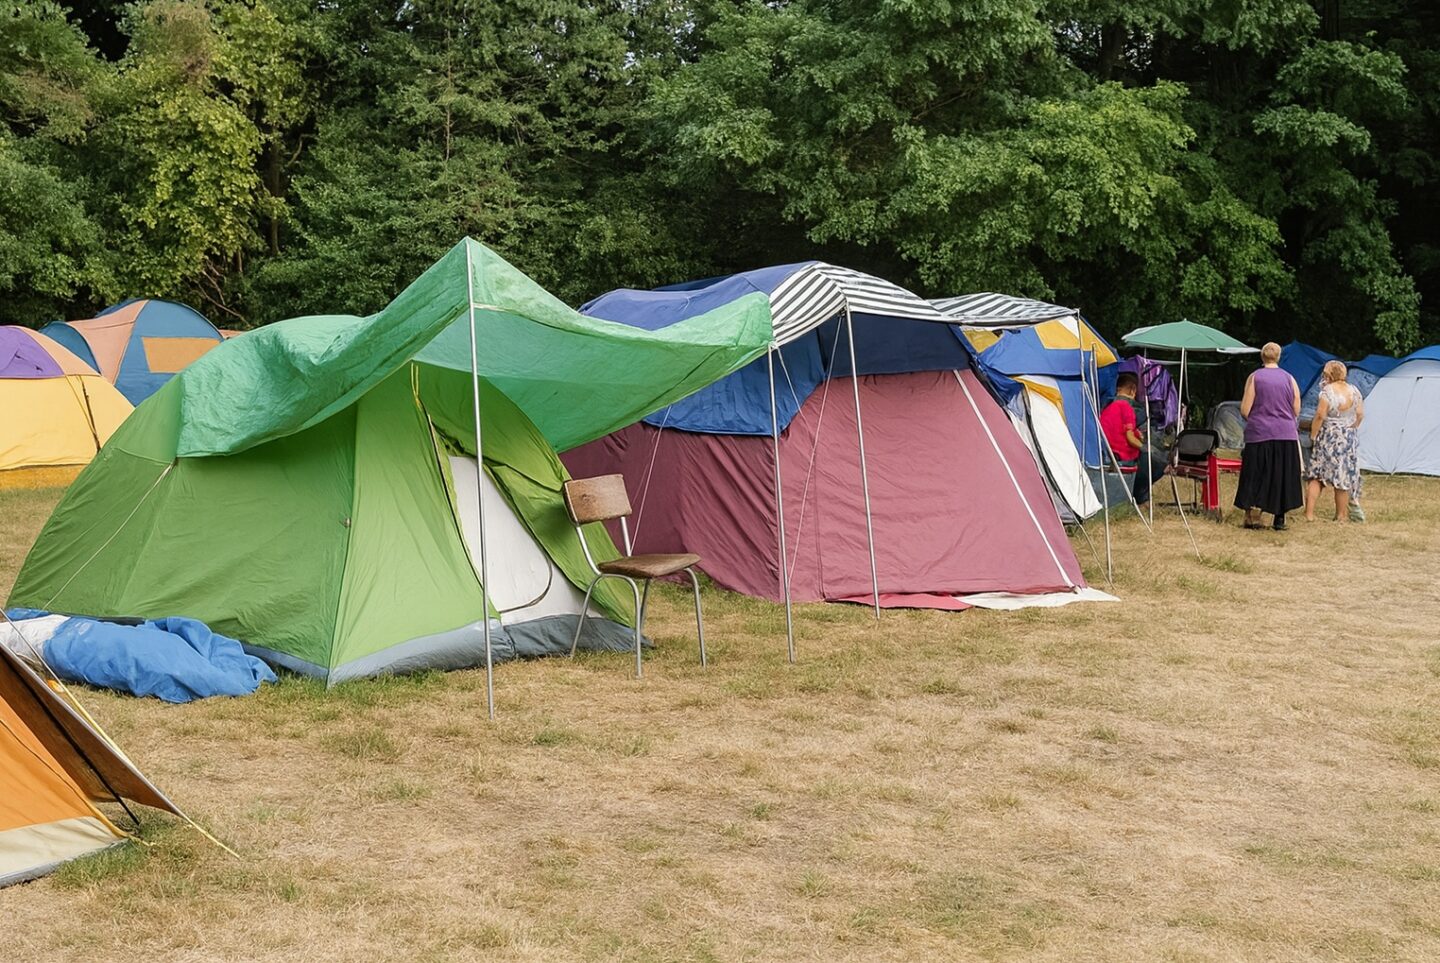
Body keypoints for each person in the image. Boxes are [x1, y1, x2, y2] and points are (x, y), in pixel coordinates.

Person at [1235, 342, 1303, 530]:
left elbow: (1245, 409)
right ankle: (1279, 518)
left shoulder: (1255, 377)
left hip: (1260, 433)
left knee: (1255, 473)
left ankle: (1252, 514)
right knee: (1282, 475)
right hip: (1286, 433)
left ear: (1262, 357)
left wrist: (1258, 418)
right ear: (1279, 357)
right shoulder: (1290, 378)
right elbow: (1296, 408)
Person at [1304, 360, 1364, 522]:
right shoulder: (1354, 391)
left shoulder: (1327, 392)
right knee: (1342, 476)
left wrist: (1313, 435)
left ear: (1328, 374)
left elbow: (1320, 415)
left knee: (1316, 475)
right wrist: (1353, 427)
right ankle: (1341, 515)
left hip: (1328, 435)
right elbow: (1359, 414)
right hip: (1347, 437)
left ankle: (1309, 514)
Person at [1100, 372, 1165, 510]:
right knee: (1157, 461)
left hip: (1106, 451)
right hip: (1121, 454)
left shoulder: (1106, 406)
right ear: (1133, 390)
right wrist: (1146, 448)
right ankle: (1139, 497)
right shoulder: (1126, 407)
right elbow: (1130, 438)